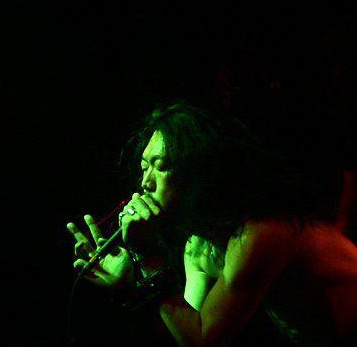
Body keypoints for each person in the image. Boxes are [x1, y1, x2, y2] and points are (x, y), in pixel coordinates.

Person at [67, 102, 357, 345]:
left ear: (198, 171)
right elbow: (187, 335)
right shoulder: (198, 246)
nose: (145, 182)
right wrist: (130, 285)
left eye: (160, 165)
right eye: (144, 167)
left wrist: (147, 257)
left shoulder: (262, 232)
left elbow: (206, 341)